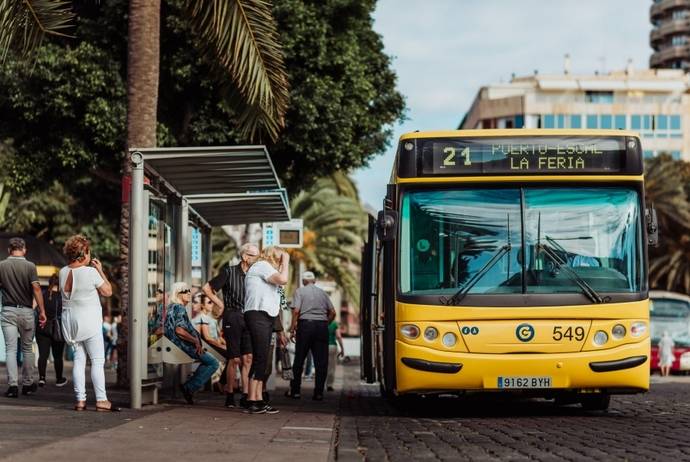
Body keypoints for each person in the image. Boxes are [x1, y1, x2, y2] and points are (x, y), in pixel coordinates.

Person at [59, 234, 118, 411]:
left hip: (70, 322)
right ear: (83, 254)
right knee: (98, 361)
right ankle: (101, 400)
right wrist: (100, 270)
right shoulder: (90, 272)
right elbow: (107, 291)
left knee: (79, 359)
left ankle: (80, 400)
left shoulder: (62, 272)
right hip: (88, 321)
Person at [202, 243, 259, 409]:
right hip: (233, 316)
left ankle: (247, 396)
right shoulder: (229, 272)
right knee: (234, 359)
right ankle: (230, 394)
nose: (257, 259)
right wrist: (220, 303)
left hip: (250, 316)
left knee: (248, 358)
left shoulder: (257, 275)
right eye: (255, 256)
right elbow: (207, 288)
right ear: (245, 256)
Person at [243, 246, 289, 414]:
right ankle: (252, 399)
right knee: (260, 357)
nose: (280, 261)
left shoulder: (266, 269)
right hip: (258, 315)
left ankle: (258, 399)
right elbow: (283, 279)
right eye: (278, 257)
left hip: (265, 316)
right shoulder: (262, 266)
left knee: (262, 358)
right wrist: (287, 260)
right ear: (272, 256)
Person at [0, 237, 47, 398]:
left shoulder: (2, 265)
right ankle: (27, 384)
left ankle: (13, 386)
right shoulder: (30, 266)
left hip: (8, 311)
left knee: (11, 350)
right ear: (24, 249)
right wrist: (42, 311)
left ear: (9, 250)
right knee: (27, 348)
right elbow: (36, 288)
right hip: (26, 311)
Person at [164, 282, 219, 405]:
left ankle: (189, 386)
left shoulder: (173, 307)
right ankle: (189, 387)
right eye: (185, 291)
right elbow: (179, 330)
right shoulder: (179, 308)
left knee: (209, 362)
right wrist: (195, 341)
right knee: (213, 363)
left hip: (180, 345)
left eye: (189, 291)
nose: (189, 293)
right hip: (184, 346)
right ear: (177, 293)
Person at [286, 271, 335, 401]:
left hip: (305, 326)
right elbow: (333, 312)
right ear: (314, 281)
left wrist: (292, 329)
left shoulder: (299, 291)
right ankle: (318, 393)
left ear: (303, 281)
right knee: (321, 362)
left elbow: (296, 311)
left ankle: (295, 391)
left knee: (299, 360)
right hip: (321, 327)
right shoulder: (323, 293)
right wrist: (326, 323)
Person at [36, 274, 68, 387]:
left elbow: (35, 308)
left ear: (49, 283)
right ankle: (59, 379)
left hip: (42, 327)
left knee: (43, 355)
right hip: (58, 329)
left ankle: (42, 378)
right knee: (58, 356)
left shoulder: (43, 295)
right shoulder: (63, 297)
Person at [326, 320, 344, 392]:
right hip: (332, 346)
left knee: (321, 366)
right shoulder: (334, 324)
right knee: (331, 367)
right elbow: (338, 336)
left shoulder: (322, 322)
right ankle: (329, 385)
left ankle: (319, 385)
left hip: (321, 346)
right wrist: (342, 349)